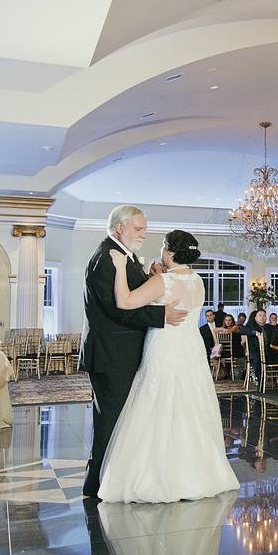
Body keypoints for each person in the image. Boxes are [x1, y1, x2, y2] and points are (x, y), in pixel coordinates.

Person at [97, 229, 239, 502]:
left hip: (165, 345)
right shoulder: (198, 280)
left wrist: (118, 269)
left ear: (170, 252)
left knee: (158, 402)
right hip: (191, 348)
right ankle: (196, 472)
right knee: (190, 405)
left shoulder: (164, 280)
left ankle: (159, 476)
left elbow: (124, 301)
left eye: (163, 246)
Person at [79, 205, 187, 498]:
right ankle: (97, 485)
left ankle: (110, 480)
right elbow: (118, 308)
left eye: (144, 228)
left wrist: (149, 274)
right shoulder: (106, 258)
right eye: (138, 229)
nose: (143, 234)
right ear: (119, 229)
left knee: (120, 420)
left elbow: (132, 294)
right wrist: (160, 316)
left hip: (119, 353)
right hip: (112, 354)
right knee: (110, 421)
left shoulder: (120, 256)